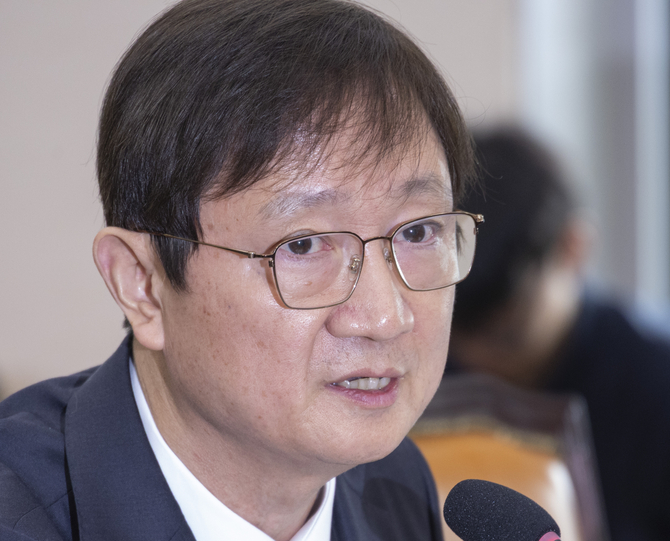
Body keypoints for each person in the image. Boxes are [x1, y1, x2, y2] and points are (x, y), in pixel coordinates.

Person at [0, 1, 481, 540]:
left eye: (418, 232)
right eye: (303, 245)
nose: (385, 317)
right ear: (142, 285)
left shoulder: (392, 486)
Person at [445, 127, 670, 541]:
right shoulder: (424, 375)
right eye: (456, 338)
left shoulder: (655, 389)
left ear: (573, 247)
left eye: (507, 337)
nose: (477, 360)